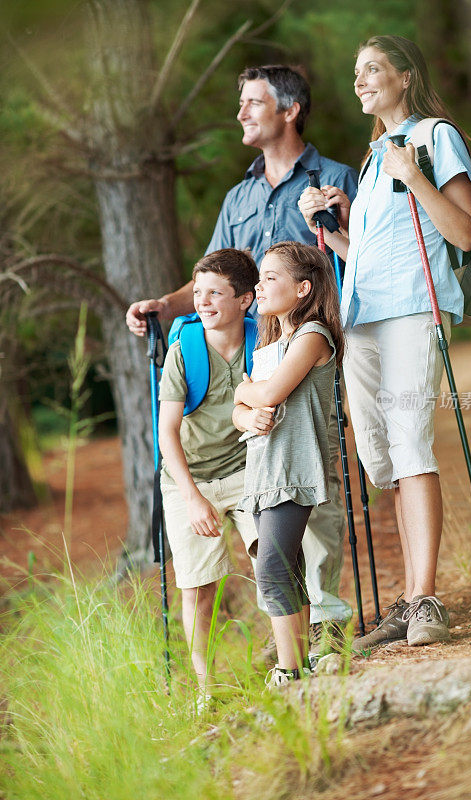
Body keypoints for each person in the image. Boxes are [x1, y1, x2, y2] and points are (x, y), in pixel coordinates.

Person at [127, 65, 359, 650]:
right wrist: (163, 304)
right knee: (271, 474)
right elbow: (213, 274)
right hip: (256, 353)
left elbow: (362, 266)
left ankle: (328, 622)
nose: (242, 113)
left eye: (253, 102)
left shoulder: (334, 177)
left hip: (312, 344)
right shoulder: (240, 195)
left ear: (289, 110)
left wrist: (344, 218)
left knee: (317, 472)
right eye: (241, 103)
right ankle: (293, 627)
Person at [298, 35, 471, 649]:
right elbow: (370, 260)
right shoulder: (374, 159)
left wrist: (413, 174)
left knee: (410, 444)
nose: (361, 80)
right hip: (364, 316)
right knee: (383, 461)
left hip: (411, 313)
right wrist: (333, 229)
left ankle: (426, 600)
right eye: (356, 73)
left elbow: (463, 229)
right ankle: (406, 600)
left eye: (373, 69)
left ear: (406, 77)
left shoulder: (432, 138)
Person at [158, 248, 273, 707]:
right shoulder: (183, 350)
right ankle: (206, 687)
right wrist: (192, 499)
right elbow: (166, 432)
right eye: (199, 292)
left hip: (247, 470)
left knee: (274, 557)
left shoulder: (261, 340)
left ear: (245, 300)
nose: (203, 302)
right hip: (189, 479)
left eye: (215, 293)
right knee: (199, 586)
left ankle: (288, 654)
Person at [233, 241, 344, 687]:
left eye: (271, 278)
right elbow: (241, 410)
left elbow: (268, 393)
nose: (259, 286)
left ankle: (288, 668)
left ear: (302, 288)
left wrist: (246, 393)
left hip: (294, 465)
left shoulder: (312, 335)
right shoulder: (270, 341)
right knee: (287, 565)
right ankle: (298, 663)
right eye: (259, 278)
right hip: (264, 465)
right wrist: (244, 402)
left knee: (272, 567)